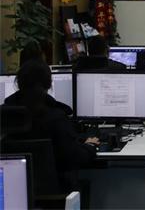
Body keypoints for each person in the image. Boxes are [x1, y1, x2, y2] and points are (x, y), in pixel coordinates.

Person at [4, 60, 98, 191]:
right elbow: (74, 157)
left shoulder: (4, 115)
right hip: (54, 194)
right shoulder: (56, 118)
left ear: (19, 84)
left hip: (10, 190)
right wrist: (89, 146)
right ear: (49, 84)